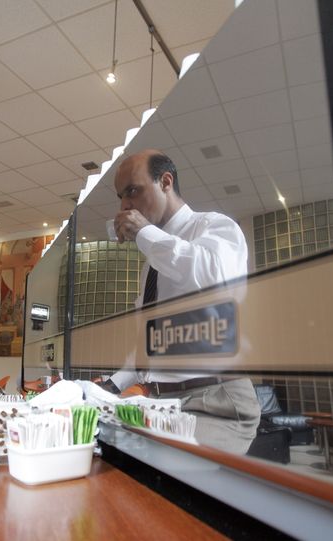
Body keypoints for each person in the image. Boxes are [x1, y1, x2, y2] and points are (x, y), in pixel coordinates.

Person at [100, 149, 260, 455]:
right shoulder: (152, 262)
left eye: (133, 191)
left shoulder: (214, 226)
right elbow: (153, 342)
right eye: (121, 196)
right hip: (165, 401)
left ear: (166, 182)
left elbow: (215, 278)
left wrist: (145, 234)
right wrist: (112, 384)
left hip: (215, 400)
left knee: (163, 477)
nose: (124, 205)